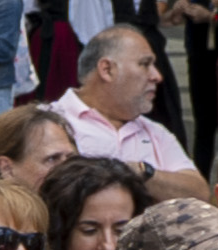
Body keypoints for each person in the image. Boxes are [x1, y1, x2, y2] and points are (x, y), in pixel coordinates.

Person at [47, 22, 201, 178]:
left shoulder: (155, 132)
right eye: (144, 64)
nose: (157, 76)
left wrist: (142, 172)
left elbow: (198, 191)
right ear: (107, 70)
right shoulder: (46, 123)